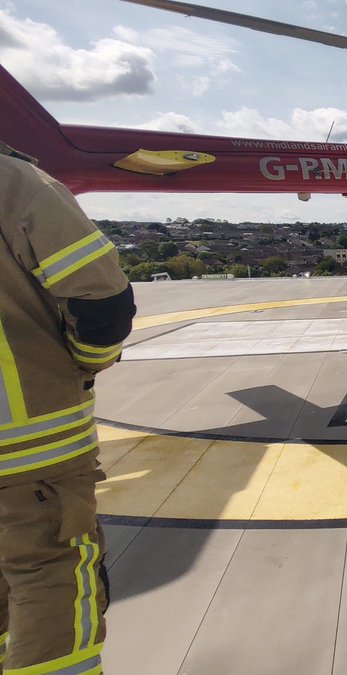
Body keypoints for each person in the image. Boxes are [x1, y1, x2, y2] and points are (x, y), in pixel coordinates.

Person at [0, 144, 136, 673]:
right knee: (50, 582)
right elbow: (102, 302)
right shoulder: (16, 182)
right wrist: (81, 367)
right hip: (28, 455)